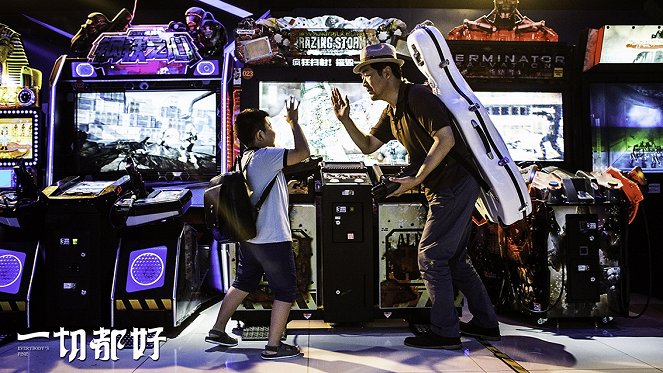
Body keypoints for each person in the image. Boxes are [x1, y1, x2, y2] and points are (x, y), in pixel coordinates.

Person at [330, 43, 500, 350]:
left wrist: (414, 180)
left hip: (455, 184)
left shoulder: (417, 96)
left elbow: (445, 139)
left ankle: (446, 331)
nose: (363, 82)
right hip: (444, 186)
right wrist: (345, 120)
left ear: (387, 72)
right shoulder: (392, 111)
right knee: (456, 260)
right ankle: (486, 323)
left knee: (431, 257)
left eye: (367, 74)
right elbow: (368, 145)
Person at [205, 97, 310, 360]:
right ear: (260, 134)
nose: (275, 131)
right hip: (273, 239)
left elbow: (255, 195)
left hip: (250, 239)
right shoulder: (266, 156)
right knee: (285, 290)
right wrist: (294, 123)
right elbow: (303, 153)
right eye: (270, 126)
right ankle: (274, 347)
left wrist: (287, 190)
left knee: (243, 282)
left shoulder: (245, 159)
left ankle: (218, 330)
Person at [447, 0, 558, 42]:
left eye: (510, 1)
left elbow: (553, 39)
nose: (505, 3)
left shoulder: (535, 31)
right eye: (502, 1)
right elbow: (453, 38)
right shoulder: (471, 29)